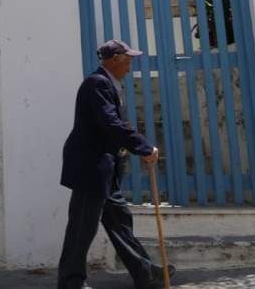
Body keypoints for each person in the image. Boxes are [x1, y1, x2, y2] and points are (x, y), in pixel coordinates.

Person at [57, 40, 175, 289]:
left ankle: (145, 273)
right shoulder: (97, 83)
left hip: (105, 168)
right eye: (127, 58)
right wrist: (143, 146)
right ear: (114, 59)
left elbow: (108, 126)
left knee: (120, 222)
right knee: (82, 228)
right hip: (90, 168)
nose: (131, 63)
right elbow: (109, 124)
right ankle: (70, 283)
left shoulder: (108, 83)